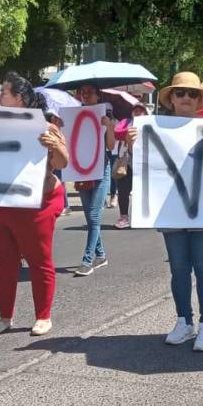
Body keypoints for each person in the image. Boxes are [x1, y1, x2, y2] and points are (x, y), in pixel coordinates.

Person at [126, 73, 203, 352]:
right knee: (178, 270)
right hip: (170, 211)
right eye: (180, 93)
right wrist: (132, 145)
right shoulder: (151, 129)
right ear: (171, 99)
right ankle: (184, 321)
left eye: (191, 94)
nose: (186, 98)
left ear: (199, 100)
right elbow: (137, 166)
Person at [0, 73, 70, 336]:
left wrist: (56, 146)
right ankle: (5, 316)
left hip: (35, 205)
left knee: (39, 260)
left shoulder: (45, 126)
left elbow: (63, 163)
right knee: (5, 260)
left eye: (4, 93)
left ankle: (43, 316)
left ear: (18, 98)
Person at [72, 83, 117, 276]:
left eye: (90, 92)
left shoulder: (106, 117)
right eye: (82, 92)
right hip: (81, 170)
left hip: (100, 168)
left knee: (94, 215)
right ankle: (101, 255)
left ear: (98, 96)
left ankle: (87, 259)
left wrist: (108, 127)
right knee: (90, 217)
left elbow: (110, 145)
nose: (86, 95)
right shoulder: (75, 115)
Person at [112, 102, 148, 230]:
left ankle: (142, 217)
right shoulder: (126, 122)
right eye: (135, 110)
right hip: (126, 161)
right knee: (123, 190)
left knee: (143, 191)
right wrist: (129, 132)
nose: (138, 112)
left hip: (144, 163)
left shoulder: (149, 123)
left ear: (145, 112)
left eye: (141, 110)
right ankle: (123, 217)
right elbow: (117, 132)